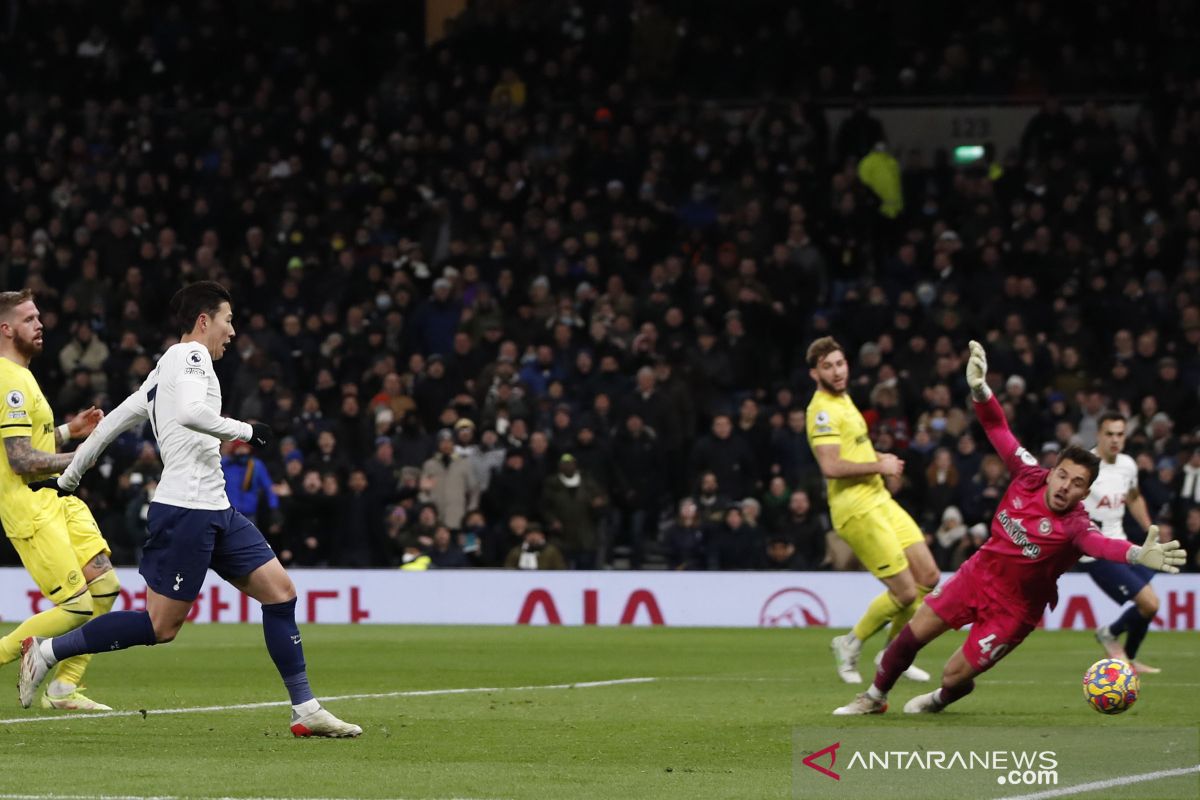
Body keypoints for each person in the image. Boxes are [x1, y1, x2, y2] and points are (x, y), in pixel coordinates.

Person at [18, 282, 361, 738]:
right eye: (228, 319)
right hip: (185, 512)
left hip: (216, 508)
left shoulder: (164, 371)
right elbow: (190, 414)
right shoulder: (191, 357)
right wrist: (248, 430)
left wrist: (68, 479)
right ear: (204, 321)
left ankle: (305, 707)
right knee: (160, 627)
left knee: (280, 593)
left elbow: (108, 428)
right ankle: (46, 652)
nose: (232, 331)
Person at [833, 341, 1184, 715]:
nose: (1065, 486)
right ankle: (874, 698)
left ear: (1086, 490)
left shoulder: (1076, 526)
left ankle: (939, 700)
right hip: (977, 575)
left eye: (1076, 483)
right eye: (1062, 475)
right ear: (1052, 472)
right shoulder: (1028, 474)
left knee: (953, 677)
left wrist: (1134, 553)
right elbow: (997, 426)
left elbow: (1100, 546)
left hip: (1014, 611)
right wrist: (981, 390)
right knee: (912, 634)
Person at [0, 289, 119, 711]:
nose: (40, 324)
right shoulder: (7, 379)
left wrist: (70, 430)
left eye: (39, 317)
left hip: (56, 497)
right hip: (28, 504)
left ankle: (64, 688)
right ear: (6, 328)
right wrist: (81, 455)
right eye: (30, 318)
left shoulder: (23, 375)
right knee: (75, 606)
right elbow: (19, 460)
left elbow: (32, 443)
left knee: (105, 586)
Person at [805, 337, 934, 684]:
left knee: (929, 577)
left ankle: (892, 653)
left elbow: (856, 451)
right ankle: (850, 643)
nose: (837, 371)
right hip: (855, 508)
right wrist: (880, 467)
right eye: (828, 366)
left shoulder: (846, 399)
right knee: (906, 592)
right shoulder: (822, 411)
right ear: (814, 373)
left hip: (879, 499)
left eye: (840, 363)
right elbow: (830, 466)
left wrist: (880, 462)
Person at [1084, 411, 1163, 673]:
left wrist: (1150, 530)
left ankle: (1124, 656)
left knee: (1150, 605)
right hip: (1095, 553)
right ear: (1098, 435)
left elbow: (1134, 497)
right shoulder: (1086, 466)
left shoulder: (1128, 464)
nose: (1115, 439)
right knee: (1149, 603)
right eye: (1109, 434)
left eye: (1120, 434)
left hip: (1123, 546)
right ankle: (1111, 635)